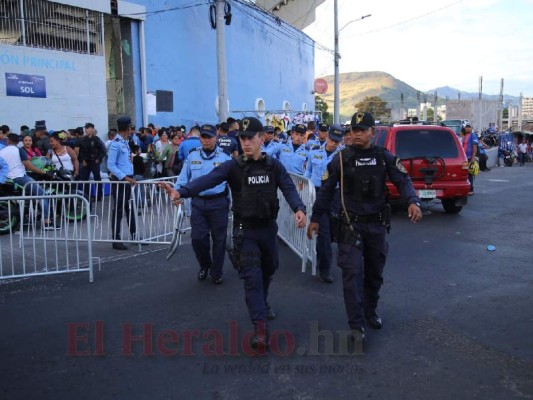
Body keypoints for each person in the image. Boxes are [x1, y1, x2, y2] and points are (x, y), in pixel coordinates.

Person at [160, 117, 306, 351]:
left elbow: (288, 187)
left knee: (269, 270)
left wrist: (300, 208)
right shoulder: (233, 166)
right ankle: (260, 328)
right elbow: (208, 180)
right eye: (243, 138)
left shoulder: (273, 166)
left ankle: (263, 302)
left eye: (251, 138)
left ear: (261, 139)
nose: (246, 143)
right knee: (252, 278)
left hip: (267, 230)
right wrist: (182, 191)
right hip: (244, 231)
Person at [307, 112, 422, 344]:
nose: (356, 134)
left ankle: (370, 310)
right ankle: (356, 324)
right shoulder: (340, 159)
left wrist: (413, 201)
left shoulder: (383, 157)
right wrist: (316, 218)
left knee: (374, 273)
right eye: (353, 130)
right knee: (351, 275)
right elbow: (326, 189)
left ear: (372, 132)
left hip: (377, 226)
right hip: (351, 225)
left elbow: (402, 179)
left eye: (362, 130)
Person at [174, 124, 231, 284]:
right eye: (203, 137)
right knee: (198, 238)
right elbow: (183, 177)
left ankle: (217, 271)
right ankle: (205, 265)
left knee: (219, 240)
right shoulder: (192, 156)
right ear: (200, 138)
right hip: (198, 203)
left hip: (219, 203)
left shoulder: (225, 158)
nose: (206, 140)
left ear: (216, 138)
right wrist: (177, 193)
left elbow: (232, 183)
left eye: (209, 137)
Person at [304, 124, 343, 283]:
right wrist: (304, 185)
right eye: (332, 139)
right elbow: (308, 172)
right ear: (327, 136)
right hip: (318, 194)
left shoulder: (343, 156)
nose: (333, 143)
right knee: (324, 234)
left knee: (336, 230)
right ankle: (324, 268)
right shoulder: (314, 152)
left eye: (337, 141)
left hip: (335, 195)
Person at [0, 133, 55, 229]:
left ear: (8, 141)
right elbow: (28, 166)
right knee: (42, 195)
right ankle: (47, 222)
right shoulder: (19, 150)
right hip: (19, 177)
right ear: (19, 142)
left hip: (6, 179)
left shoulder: (2, 151)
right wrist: (43, 172)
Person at [107, 116, 138, 250]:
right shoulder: (116, 143)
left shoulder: (125, 142)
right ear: (127, 128)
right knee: (119, 210)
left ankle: (134, 235)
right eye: (130, 128)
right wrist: (125, 177)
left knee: (130, 208)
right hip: (121, 181)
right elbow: (111, 165)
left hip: (127, 179)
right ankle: (116, 239)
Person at [78, 123, 106, 199]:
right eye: (85, 128)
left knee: (97, 179)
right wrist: (82, 160)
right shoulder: (83, 140)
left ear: (92, 129)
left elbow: (103, 150)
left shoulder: (97, 140)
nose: (86, 130)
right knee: (85, 179)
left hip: (94, 162)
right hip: (86, 163)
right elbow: (81, 151)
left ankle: (99, 196)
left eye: (88, 128)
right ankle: (86, 196)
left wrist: (98, 159)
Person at [461, 124, 478, 195]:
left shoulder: (473, 136)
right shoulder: (464, 136)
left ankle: (471, 189)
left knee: (470, 173)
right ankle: (465, 189)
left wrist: (473, 157)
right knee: (465, 173)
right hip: (464, 158)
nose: (467, 128)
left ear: (471, 128)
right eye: (466, 127)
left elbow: (474, 147)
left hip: (469, 157)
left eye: (469, 127)